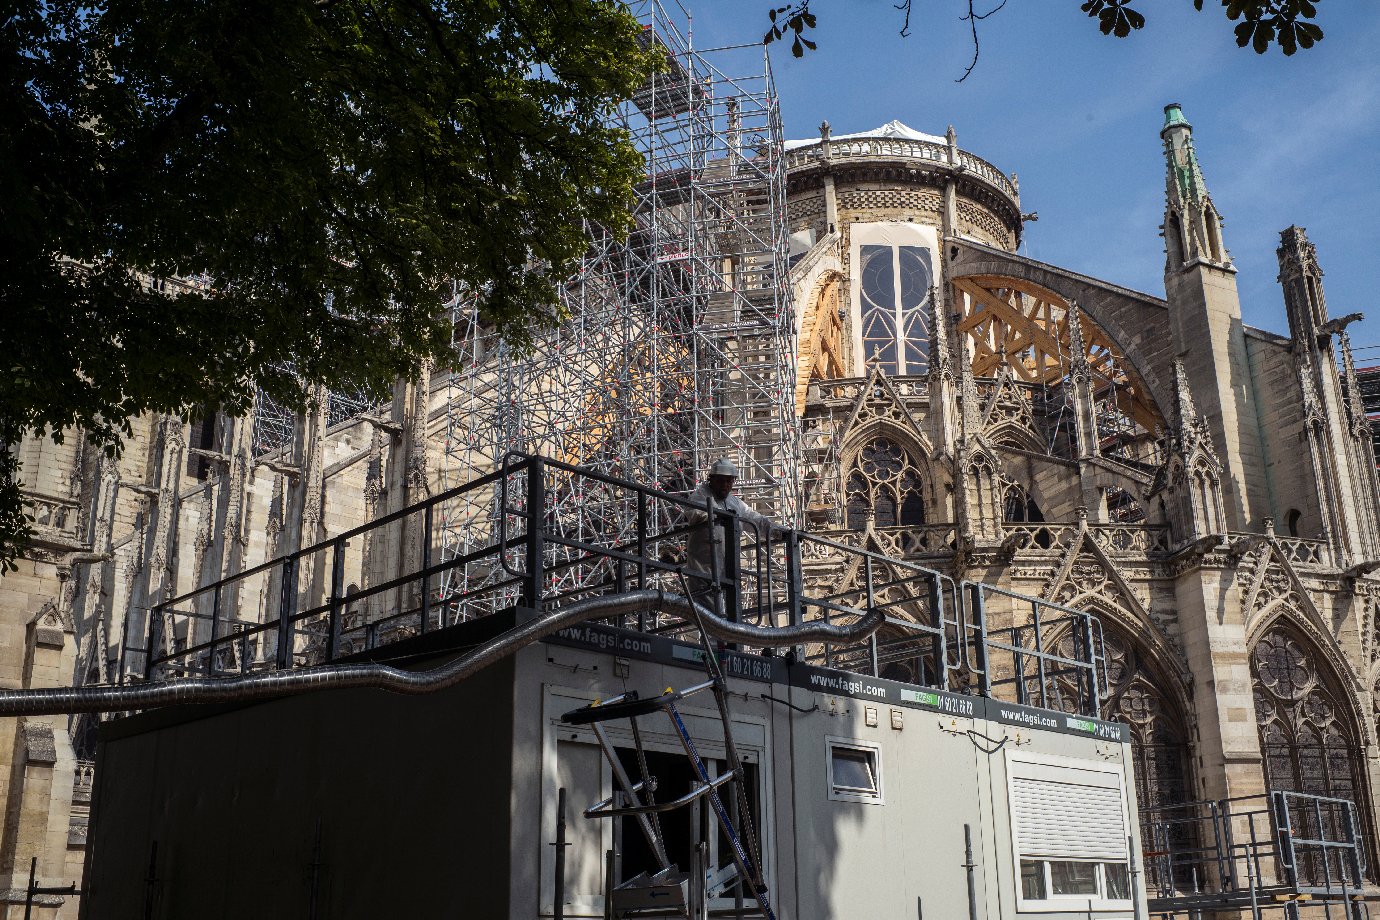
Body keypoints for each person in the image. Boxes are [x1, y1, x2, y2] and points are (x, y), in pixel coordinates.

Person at [683, 458, 774, 612]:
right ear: (711, 479)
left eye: (729, 481)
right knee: (709, 616)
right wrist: (715, 515)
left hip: (729, 568)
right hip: (704, 569)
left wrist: (779, 530)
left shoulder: (735, 503)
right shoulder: (699, 496)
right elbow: (693, 512)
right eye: (721, 481)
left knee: (729, 614)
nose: (725, 485)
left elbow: (756, 520)